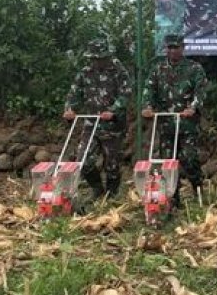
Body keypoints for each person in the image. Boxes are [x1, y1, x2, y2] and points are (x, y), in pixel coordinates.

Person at [142, 34, 208, 207]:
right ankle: (173, 197)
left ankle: (198, 189)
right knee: (167, 163)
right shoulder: (158, 69)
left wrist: (193, 108)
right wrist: (148, 107)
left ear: (182, 48)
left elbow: (200, 91)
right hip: (165, 124)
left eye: (176, 47)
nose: (172, 51)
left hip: (187, 124)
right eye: (169, 48)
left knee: (189, 158)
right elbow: (149, 89)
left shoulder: (194, 68)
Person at [64, 36, 131, 200]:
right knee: (83, 160)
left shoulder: (119, 71)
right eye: (93, 58)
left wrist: (114, 110)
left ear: (107, 56)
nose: (96, 62)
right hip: (91, 123)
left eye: (99, 58)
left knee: (112, 164)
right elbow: (74, 93)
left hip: (113, 125)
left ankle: (112, 194)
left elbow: (126, 93)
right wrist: (70, 109)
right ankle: (97, 188)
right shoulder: (85, 72)